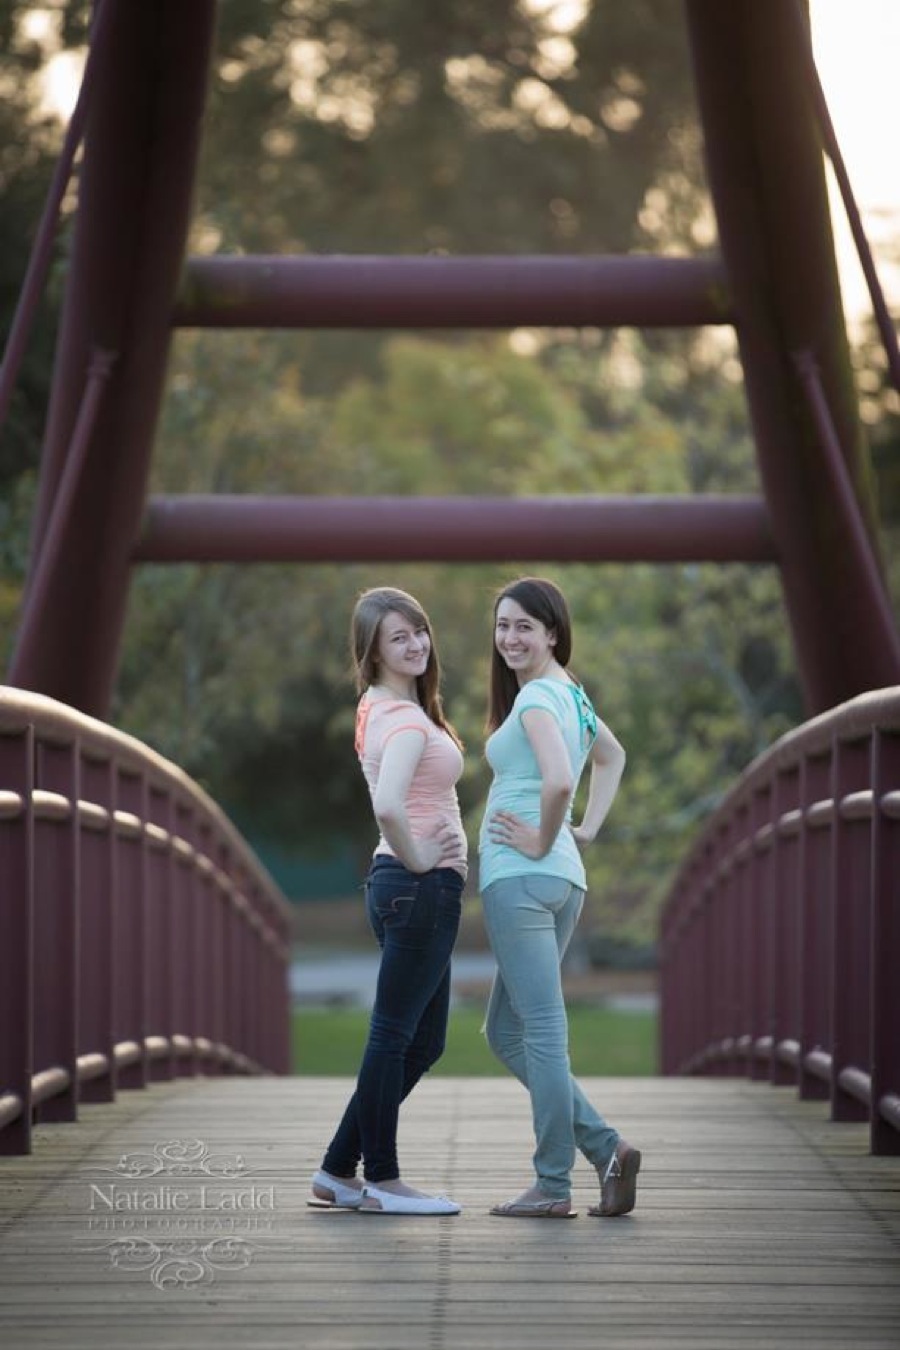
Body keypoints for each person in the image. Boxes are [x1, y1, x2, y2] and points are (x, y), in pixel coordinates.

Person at [478, 576, 638, 1219]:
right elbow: (613, 756)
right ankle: (605, 1146)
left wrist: (545, 837)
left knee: (540, 1032)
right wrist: (587, 829)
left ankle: (552, 1185)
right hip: (561, 880)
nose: (510, 637)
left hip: (522, 875)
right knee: (505, 1030)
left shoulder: (541, 699)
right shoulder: (572, 695)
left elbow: (560, 778)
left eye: (524, 626)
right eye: (502, 625)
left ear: (552, 633)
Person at [309, 586, 468, 1216]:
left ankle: (335, 1171)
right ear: (371, 652)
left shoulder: (380, 707)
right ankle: (382, 1179)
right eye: (398, 637)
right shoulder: (403, 722)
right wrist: (424, 858)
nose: (416, 644)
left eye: (420, 631)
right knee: (395, 1036)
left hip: (404, 890)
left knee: (420, 1041)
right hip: (418, 888)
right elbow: (387, 804)